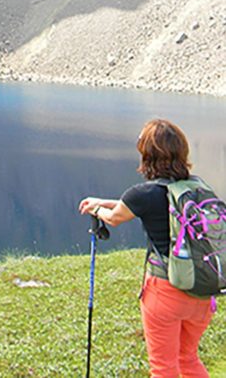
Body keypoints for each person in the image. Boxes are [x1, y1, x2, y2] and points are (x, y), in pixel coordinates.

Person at [78, 119, 215, 378]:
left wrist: (95, 209)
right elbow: (131, 207)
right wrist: (103, 202)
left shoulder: (142, 194)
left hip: (165, 291)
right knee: (187, 358)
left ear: (147, 154)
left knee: (163, 369)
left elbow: (116, 217)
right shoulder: (197, 188)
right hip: (202, 290)